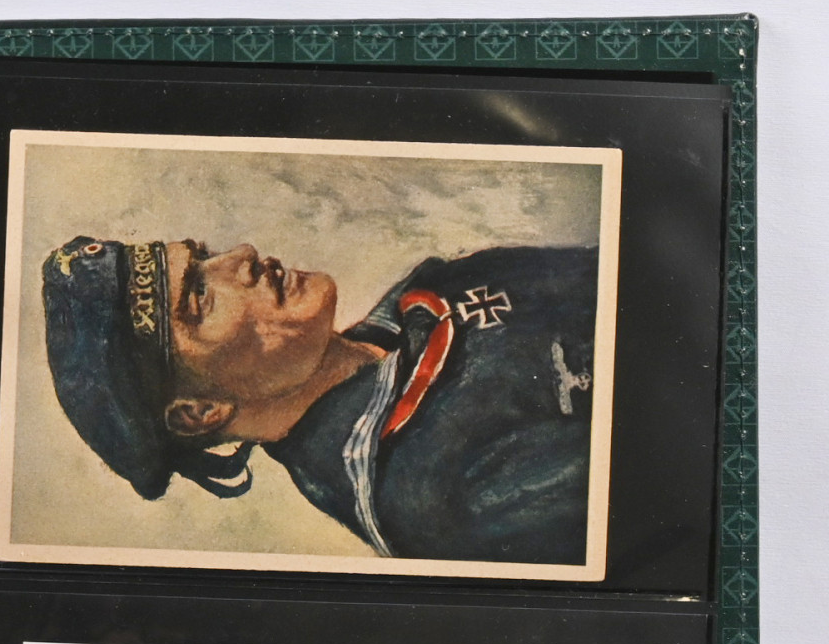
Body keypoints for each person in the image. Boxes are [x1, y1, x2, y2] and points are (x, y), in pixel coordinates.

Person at [42, 236, 599, 564]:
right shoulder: (436, 494)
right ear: (200, 412)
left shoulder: (432, 289)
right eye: (200, 296)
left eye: (205, 257)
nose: (243, 255)